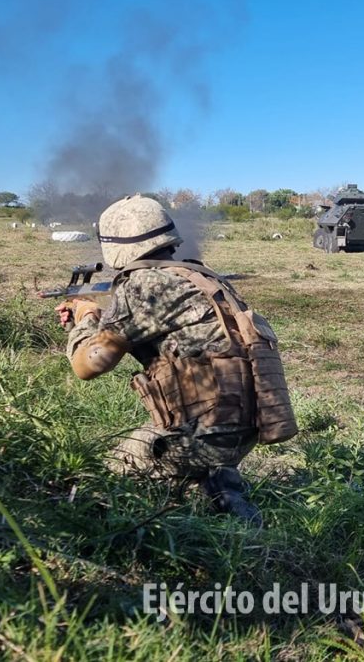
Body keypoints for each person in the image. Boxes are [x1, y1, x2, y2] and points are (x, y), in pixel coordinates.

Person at [54, 195, 298, 525]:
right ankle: (219, 491)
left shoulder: (144, 286)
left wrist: (85, 317)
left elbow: (87, 366)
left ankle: (200, 488)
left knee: (100, 478)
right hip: (248, 426)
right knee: (187, 479)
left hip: (205, 432)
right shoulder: (202, 277)